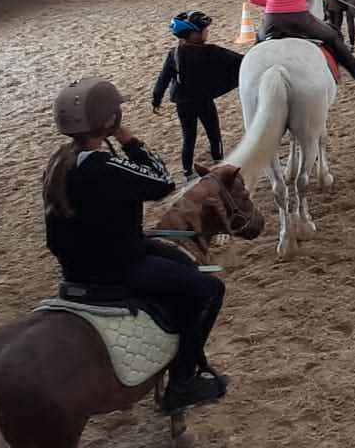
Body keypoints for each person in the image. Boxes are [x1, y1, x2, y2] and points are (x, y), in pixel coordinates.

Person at [42, 78, 226, 413]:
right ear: (109, 121)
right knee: (210, 289)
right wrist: (128, 139)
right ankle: (182, 383)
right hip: (119, 267)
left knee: (183, 263)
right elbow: (162, 181)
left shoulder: (57, 164)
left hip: (75, 269)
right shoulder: (106, 166)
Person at [151, 11, 245, 182]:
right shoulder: (212, 51)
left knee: (189, 137)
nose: (207, 32)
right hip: (204, 101)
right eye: (203, 30)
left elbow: (163, 78)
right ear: (192, 34)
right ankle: (219, 161)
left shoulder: (174, 54)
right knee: (214, 133)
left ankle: (187, 171)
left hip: (183, 103)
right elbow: (240, 60)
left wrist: (156, 99)